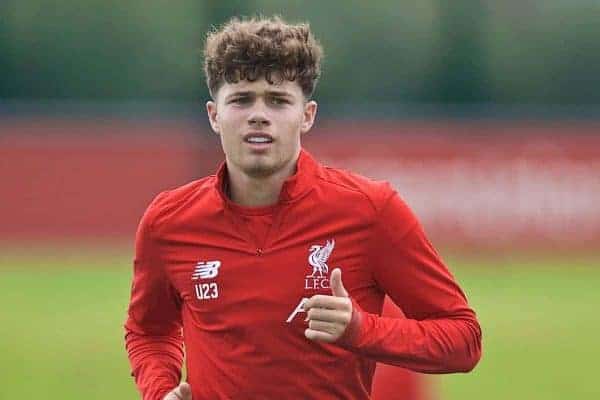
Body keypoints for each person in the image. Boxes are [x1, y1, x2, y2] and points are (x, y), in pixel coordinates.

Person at [124, 16, 482, 400]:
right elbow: (148, 330)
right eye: (241, 99)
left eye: (277, 100)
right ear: (214, 115)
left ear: (307, 115)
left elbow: (463, 339)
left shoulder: (370, 210)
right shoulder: (169, 221)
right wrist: (159, 391)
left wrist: (362, 329)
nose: (258, 114)